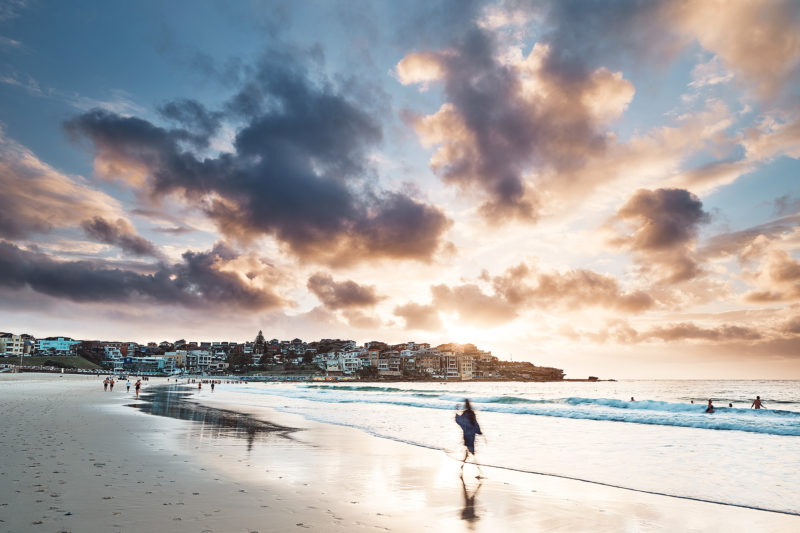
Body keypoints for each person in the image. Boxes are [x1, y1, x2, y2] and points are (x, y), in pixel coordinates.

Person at [455, 399, 483, 477]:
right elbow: (475, 423)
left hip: (466, 436)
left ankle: (462, 467)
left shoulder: (465, 413)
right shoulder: (471, 413)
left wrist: (456, 410)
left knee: (468, 453)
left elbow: (459, 420)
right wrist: (479, 431)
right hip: (471, 436)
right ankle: (479, 471)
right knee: (471, 452)